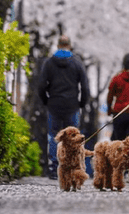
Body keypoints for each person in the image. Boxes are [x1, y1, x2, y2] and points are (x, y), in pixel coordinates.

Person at [38, 35, 90, 180]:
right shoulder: (77, 63)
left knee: (54, 136)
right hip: (72, 105)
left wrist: (46, 101)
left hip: (54, 104)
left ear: (58, 45)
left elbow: (41, 85)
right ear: (69, 45)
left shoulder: (49, 63)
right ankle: (73, 167)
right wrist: (82, 103)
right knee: (74, 137)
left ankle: (55, 168)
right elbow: (85, 86)